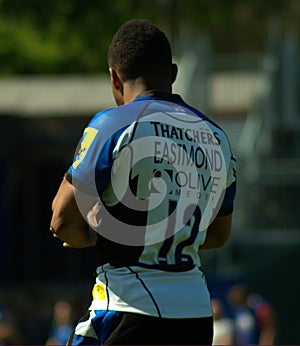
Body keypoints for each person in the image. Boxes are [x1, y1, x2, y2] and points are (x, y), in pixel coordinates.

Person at [50, 18, 237, 345]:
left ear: (113, 76)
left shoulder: (113, 124)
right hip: (195, 314)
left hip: (128, 306)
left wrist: (101, 237)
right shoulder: (216, 137)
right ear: (174, 73)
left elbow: (62, 219)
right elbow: (218, 234)